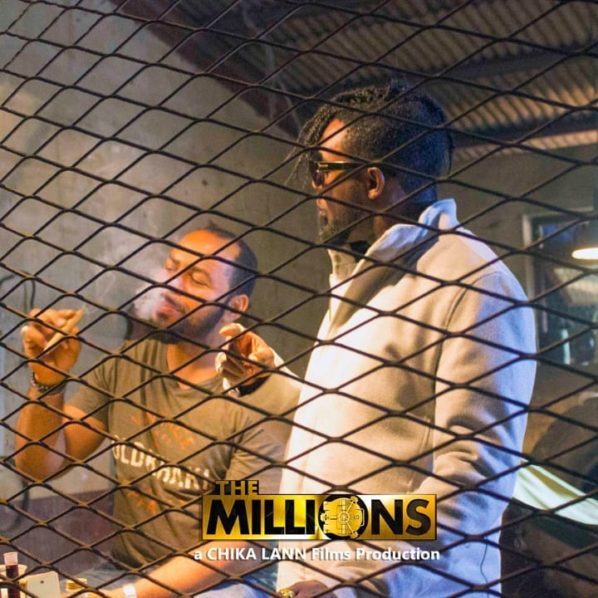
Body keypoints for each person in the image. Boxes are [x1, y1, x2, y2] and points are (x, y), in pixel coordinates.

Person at [218, 82, 537, 597]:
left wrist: (358, 585)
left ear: (371, 181)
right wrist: (267, 385)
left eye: (323, 171)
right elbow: (351, 441)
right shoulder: (364, 274)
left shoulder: (474, 284)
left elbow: (473, 481)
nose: (316, 188)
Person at [15, 226, 300, 598]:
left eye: (196, 279)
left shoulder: (257, 388)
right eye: (171, 268)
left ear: (234, 306)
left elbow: (237, 547)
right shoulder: (128, 362)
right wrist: (48, 379)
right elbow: (38, 466)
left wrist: (129, 597)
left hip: (228, 584)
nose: (171, 284)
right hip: (125, 572)